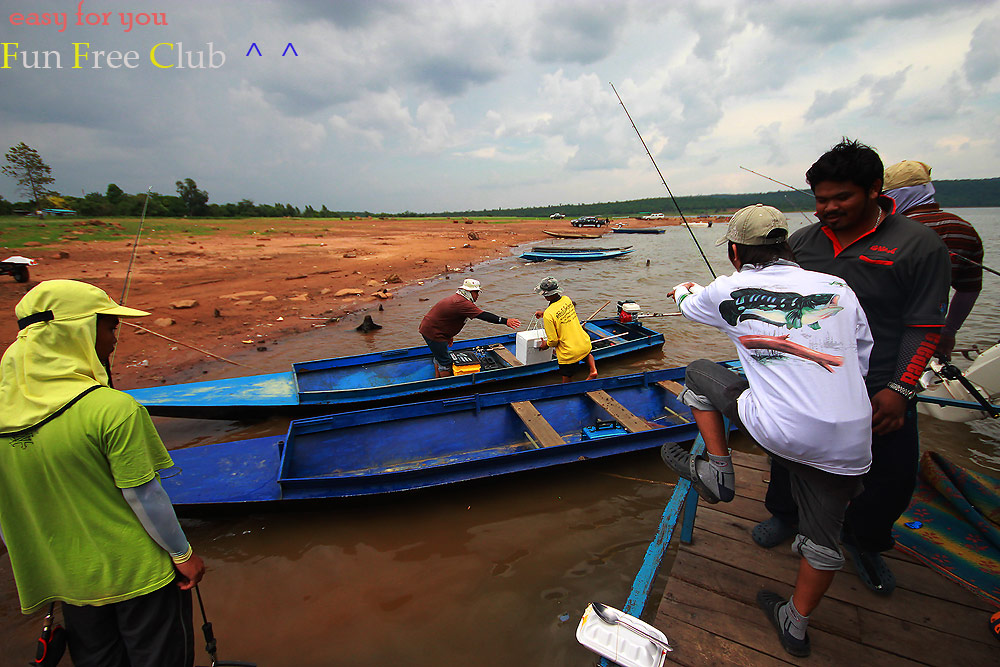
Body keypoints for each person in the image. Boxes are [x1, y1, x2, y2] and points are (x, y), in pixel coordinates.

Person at [661, 204, 874, 657]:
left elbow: (686, 306)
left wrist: (683, 288)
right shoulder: (836, 286)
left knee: (699, 372)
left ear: (735, 251)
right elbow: (862, 353)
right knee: (824, 538)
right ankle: (795, 626)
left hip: (777, 429)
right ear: (788, 247)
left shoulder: (726, 289)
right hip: (853, 436)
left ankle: (718, 470)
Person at [755, 139, 951, 597]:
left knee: (892, 475)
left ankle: (864, 541)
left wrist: (902, 389)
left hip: (881, 384)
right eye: (820, 199)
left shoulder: (918, 246)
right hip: (809, 382)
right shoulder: (802, 244)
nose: (827, 208)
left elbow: (924, 327)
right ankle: (785, 515)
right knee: (788, 457)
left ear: (875, 190)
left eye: (840, 197)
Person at [0, 280, 206, 667]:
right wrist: (184, 554)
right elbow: (144, 495)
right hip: (139, 573)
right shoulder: (113, 409)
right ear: (76, 332)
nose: (114, 340)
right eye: (109, 327)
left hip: (71, 582)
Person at [883, 160, 984, 360]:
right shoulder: (963, 228)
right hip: (928, 333)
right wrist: (949, 331)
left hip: (885, 334)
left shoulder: (887, 230)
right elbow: (969, 288)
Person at [418, 278, 521, 377]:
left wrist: (448, 336)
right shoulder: (462, 303)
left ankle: (437, 378)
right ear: (469, 292)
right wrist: (505, 321)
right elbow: (483, 315)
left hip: (431, 329)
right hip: (434, 333)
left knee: (440, 355)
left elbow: (447, 319)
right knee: (445, 362)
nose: (477, 296)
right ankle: (446, 386)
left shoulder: (457, 299)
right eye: (476, 293)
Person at [533, 277, 598, 382]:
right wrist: (544, 313)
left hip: (569, 352)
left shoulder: (549, 315)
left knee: (567, 377)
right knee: (587, 354)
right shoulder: (567, 299)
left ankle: (567, 391)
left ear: (545, 295)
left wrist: (545, 345)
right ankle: (593, 370)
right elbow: (560, 314)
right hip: (584, 343)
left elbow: (553, 341)